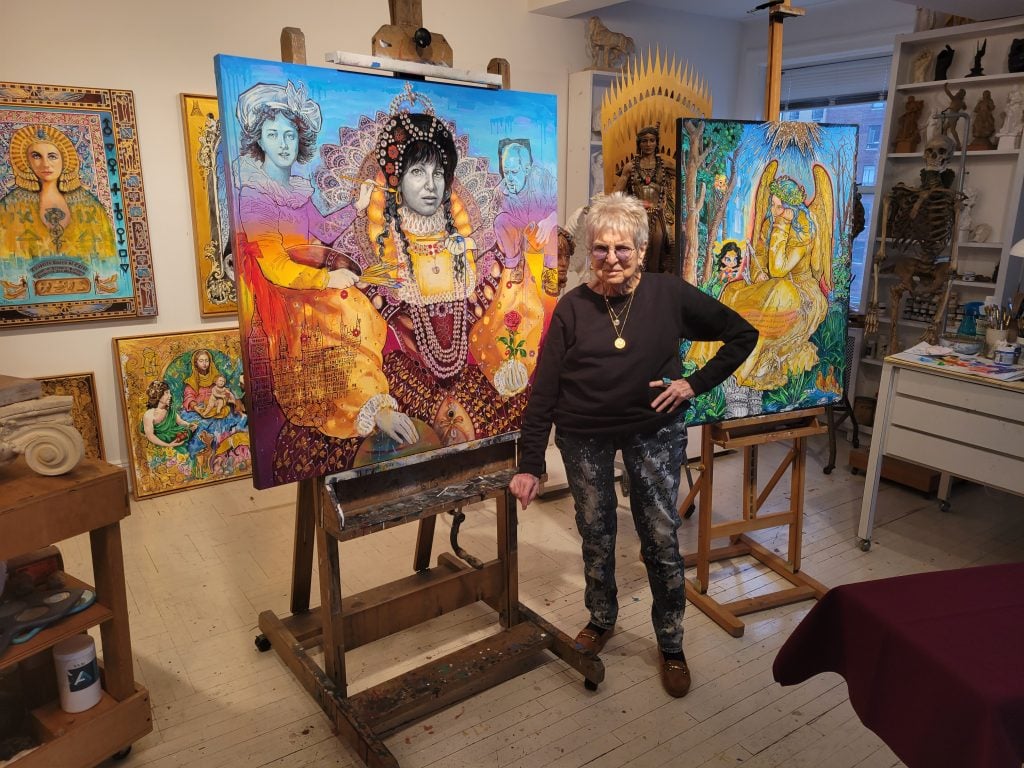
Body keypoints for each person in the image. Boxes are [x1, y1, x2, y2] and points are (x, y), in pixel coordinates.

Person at [509, 192, 757, 698]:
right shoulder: (572, 308)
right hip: (583, 436)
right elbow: (545, 389)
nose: (612, 260)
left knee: (661, 538)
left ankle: (670, 642)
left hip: (654, 430)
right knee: (595, 532)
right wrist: (530, 463)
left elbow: (741, 334)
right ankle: (601, 618)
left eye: (623, 249)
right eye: (600, 249)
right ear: (587, 253)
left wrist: (692, 384)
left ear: (642, 250)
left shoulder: (669, 294)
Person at [234, 80, 398, 446]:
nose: (282, 143)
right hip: (285, 292)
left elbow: (318, 232)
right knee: (345, 308)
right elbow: (274, 265)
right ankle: (357, 401)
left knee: (358, 304)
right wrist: (326, 281)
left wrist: (356, 207)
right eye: (272, 134)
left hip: (308, 279)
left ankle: (368, 390)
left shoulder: (297, 188)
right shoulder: (254, 196)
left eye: (289, 134)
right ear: (258, 140)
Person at [686, 162, 833, 394]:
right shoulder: (770, 223)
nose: (773, 210)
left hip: (803, 293)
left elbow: (779, 268)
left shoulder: (804, 227)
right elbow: (761, 261)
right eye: (772, 205)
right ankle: (703, 362)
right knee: (732, 291)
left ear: (790, 207)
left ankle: (738, 374)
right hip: (772, 285)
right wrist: (757, 273)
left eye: (777, 206)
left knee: (778, 291)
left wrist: (783, 225)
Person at [0, 124, 118, 293]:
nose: (45, 163)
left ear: (65, 160)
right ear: (26, 161)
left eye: (53, 156)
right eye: (36, 156)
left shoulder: (90, 206)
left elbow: (108, 259)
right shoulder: (9, 207)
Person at [612, 126, 676, 274]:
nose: (648, 144)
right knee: (632, 250)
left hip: (658, 215)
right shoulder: (630, 167)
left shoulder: (665, 165)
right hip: (635, 216)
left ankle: (654, 282)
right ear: (639, 143)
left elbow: (684, 174)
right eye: (644, 141)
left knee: (662, 246)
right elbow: (616, 193)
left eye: (652, 140)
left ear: (656, 143)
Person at [141, 380, 196, 450]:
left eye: (170, 393)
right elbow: (150, 436)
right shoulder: (149, 415)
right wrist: (168, 445)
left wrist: (189, 425)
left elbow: (180, 421)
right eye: (167, 393)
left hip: (173, 435)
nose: (170, 396)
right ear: (158, 395)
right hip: (161, 440)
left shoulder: (169, 410)